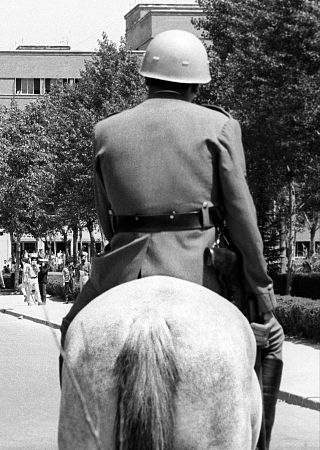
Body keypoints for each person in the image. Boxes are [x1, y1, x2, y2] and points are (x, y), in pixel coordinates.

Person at [58, 30, 282, 450]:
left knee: (74, 333)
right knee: (267, 343)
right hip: (201, 270)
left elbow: (107, 220)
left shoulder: (106, 131)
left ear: (145, 79)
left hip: (125, 268)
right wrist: (264, 297)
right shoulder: (219, 126)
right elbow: (242, 215)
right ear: (198, 83)